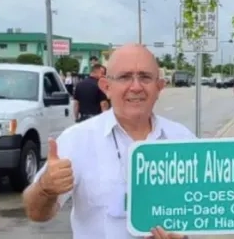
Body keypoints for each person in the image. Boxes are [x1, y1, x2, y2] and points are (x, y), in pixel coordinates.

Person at [22, 44, 191, 239]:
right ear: (106, 87)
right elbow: (36, 213)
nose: (136, 87)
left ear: (159, 87)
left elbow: (202, 215)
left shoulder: (183, 140)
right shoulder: (78, 139)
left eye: (145, 77)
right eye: (124, 77)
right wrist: (45, 188)